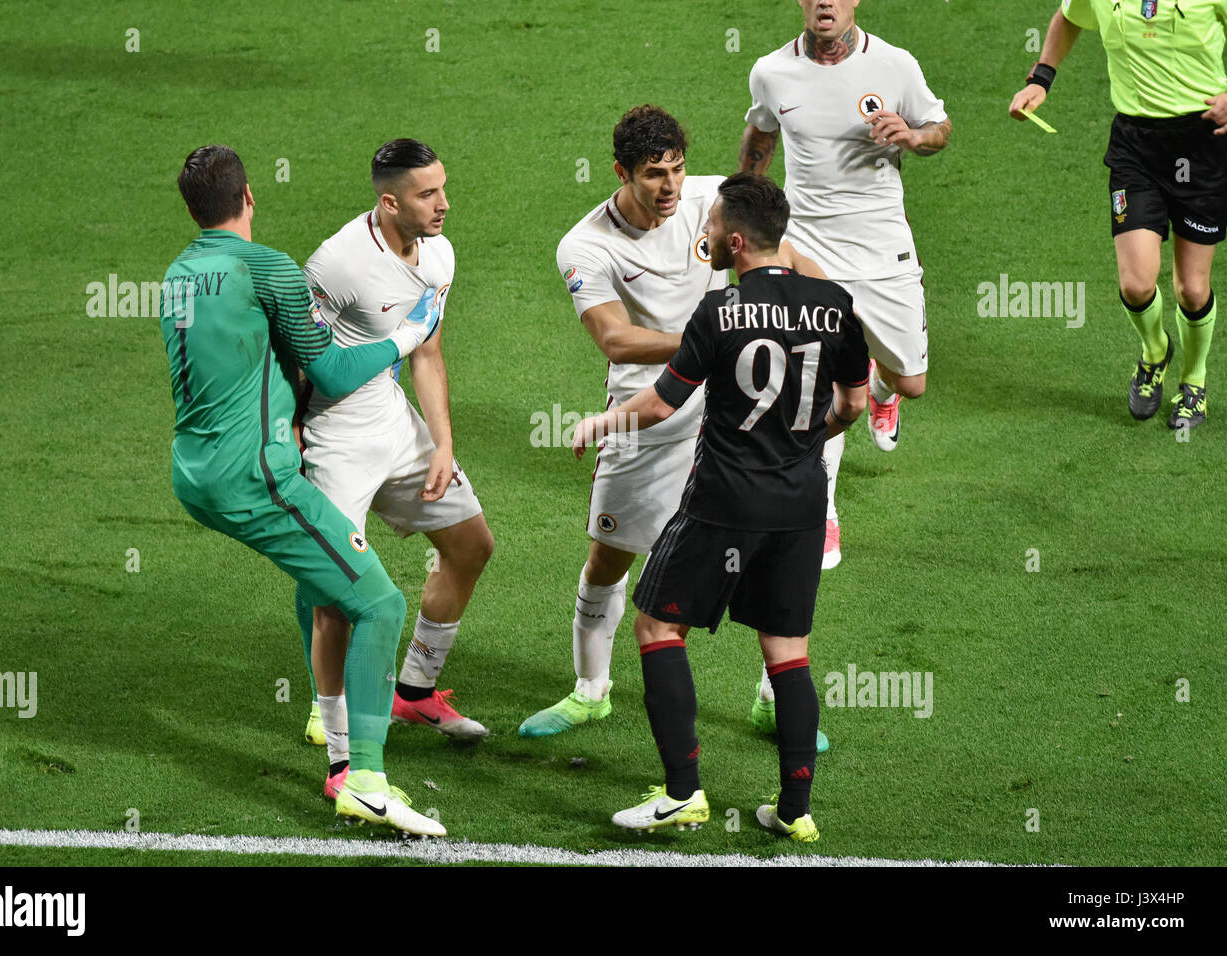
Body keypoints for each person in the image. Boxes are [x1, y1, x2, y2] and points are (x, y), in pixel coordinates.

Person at [571, 173, 869, 842]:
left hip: (723, 501)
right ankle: (795, 809)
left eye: (709, 228)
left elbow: (658, 405)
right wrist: (797, 448)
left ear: (734, 241)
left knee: (656, 629)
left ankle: (682, 794)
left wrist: (601, 423)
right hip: (800, 504)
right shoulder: (836, 305)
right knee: (788, 648)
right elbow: (853, 404)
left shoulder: (719, 312)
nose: (702, 235)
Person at [159, 144, 445, 837]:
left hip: (192, 473)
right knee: (378, 601)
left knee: (334, 582)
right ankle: (367, 781)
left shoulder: (176, 275)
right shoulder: (269, 269)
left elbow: (235, 361)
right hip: (254, 478)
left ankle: (342, 758)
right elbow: (334, 374)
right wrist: (410, 334)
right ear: (250, 197)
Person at [521, 105, 828, 741]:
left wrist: (824, 312)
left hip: (740, 405)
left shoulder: (711, 200)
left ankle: (775, 697)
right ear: (621, 172)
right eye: (655, 174)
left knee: (771, 557)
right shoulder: (586, 245)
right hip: (648, 408)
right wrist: (710, 340)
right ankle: (590, 691)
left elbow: (789, 260)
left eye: (678, 169)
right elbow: (614, 338)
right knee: (609, 554)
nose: (671, 187)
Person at [738, 0, 949, 729]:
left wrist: (913, 135)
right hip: (810, 244)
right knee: (820, 386)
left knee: (912, 382)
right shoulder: (772, 70)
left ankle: (884, 390)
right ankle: (822, 509)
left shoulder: (894, 66)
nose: (825, 3)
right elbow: (760, 137)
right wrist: (745, 208)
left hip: (882, 244)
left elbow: (940, 130)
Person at [297, 140, 495, 798]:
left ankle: (414, 688)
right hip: (334, 438)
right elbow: (300, 362)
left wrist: (441, 444)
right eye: (426, 194)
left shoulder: (439, 252)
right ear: (390, 202)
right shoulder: (337, 263)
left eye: (442, 187)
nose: (443, 203)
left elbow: (427, 353)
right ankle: (339, 740)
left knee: (471, 545)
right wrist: (293, 438)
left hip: (393, 421)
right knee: (336, 595)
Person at [1010, 1, 1227, 428]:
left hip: (1201, 143)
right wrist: (1042, 78)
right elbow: (1068, 17)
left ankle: (1195, 382)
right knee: (1135, 285)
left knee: (1191, 289)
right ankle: (1154, 352)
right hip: (1136, 147)